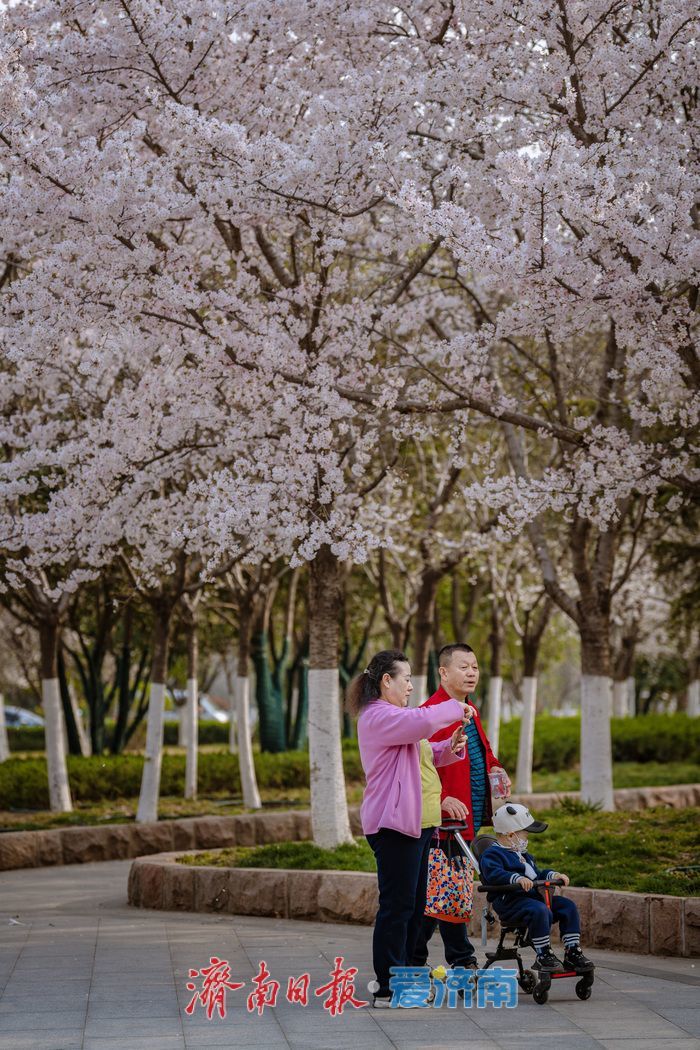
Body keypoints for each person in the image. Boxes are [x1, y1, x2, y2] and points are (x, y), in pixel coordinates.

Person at [348, 649, 473, 1008]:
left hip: (418, 826)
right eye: (405, 679)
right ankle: (388, 987)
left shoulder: (395, 717)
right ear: (386, 680)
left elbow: (422, 751)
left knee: (415, 908)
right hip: (394, 827)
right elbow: (420, 723)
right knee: (397, 908)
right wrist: (454, 705)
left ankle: (405, 978)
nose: (410, 687)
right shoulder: (377, 716)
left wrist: (449, 747)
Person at [413, 642, 510, 972]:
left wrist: (495, 766)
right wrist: (439, 803)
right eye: (463, 667)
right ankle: (457, 960)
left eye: (475, 667)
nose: (472, 673)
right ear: (443, 672)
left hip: (467, 818)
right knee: (446, 890)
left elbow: (482, 750)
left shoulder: (469, 709)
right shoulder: (430, 714)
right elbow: (418, 768)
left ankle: (421, 959)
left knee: (444, 890)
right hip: (445, 822)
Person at [479, 803, 594, 973]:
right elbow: (494, 874)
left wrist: (553, 875)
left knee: (566, 906)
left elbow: (536, 875)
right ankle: (543, 954)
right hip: (510, 901)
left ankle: (572, 951)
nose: (527, 840)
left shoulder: (523, 855)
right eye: (525, 835)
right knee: (540, 910)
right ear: (511, 835)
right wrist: (516, 878)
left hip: (532, 898)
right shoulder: (492, 855)